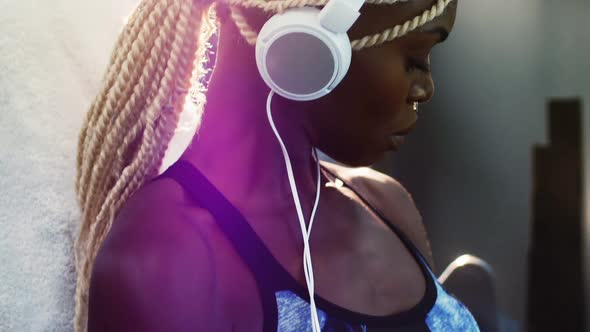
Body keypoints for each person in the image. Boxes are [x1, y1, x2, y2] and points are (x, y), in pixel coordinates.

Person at [74, 0, 478, 330]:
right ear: (307, 46)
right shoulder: (168, 265)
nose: (426, 89)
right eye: (415, 56)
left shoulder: (386, 204)